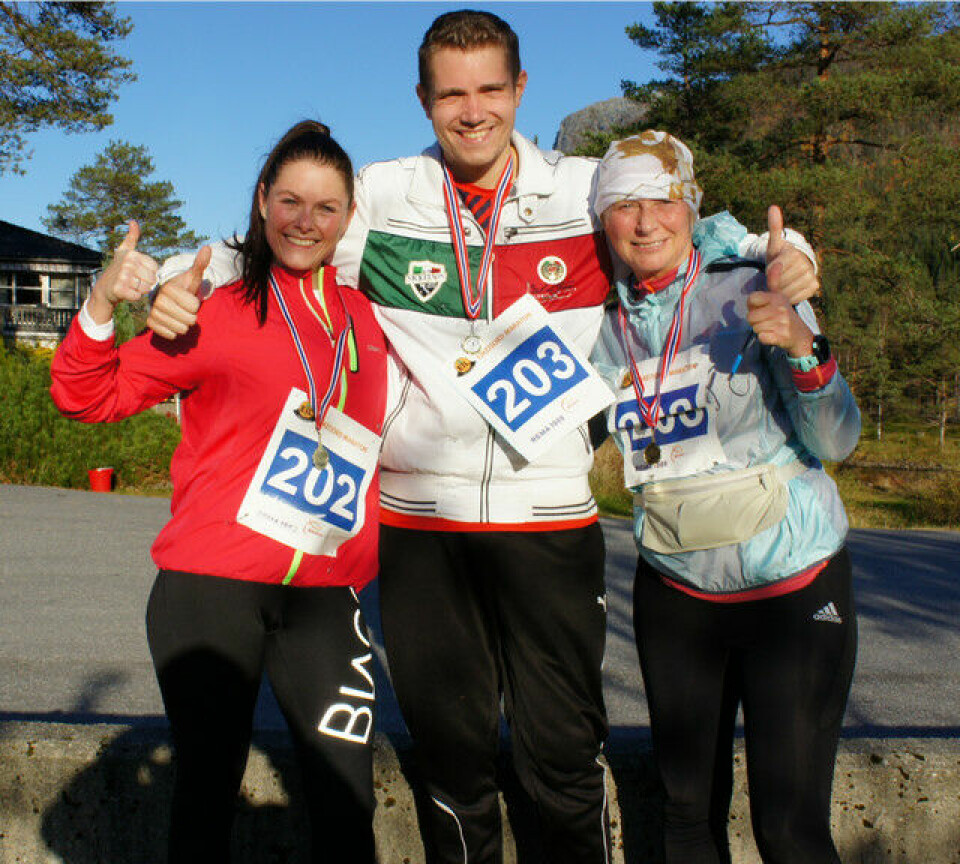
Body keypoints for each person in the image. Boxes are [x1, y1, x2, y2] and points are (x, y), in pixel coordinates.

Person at [144, 12, 820, 863]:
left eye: (490, 90)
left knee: (564, 763)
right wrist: (166, 283)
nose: (472, 112)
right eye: (451, 93)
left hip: (551, 524)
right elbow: (264, 245)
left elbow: (692, 228)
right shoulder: (384, 195)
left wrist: (784, 249)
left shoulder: (582, 188)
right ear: (424, 100)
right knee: (453, 768)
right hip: (424, 529)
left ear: (520, 91)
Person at [50, 121, 387, 864]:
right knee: (206, 794)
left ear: (349, 216)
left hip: (327, 595)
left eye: (327, 208)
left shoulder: (370, 320)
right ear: (263, 201)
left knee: (345, 799)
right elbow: (85, 397)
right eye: (290, 201)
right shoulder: (218, 311)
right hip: (209, 589)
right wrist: (105, 301)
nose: (306, 222)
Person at [590, 130, 861, 864]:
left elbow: (836, 441)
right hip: (676, 591)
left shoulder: (755, 280)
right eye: (623, 205)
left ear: (691, 206)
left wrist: (805, 353)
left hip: (793, 585)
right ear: (600, 218)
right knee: (683, 823)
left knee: (789, 829)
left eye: (662, 201)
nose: (645, 222)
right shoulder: (594, 322)